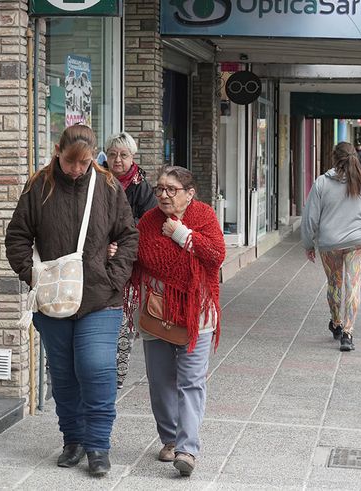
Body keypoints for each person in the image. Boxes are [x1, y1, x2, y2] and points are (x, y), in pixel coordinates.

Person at [5, 124, 138, 477]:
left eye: (84, 163)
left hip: (100, 297)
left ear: (94, 157)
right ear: (57, 151)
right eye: (70, 162)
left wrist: (114, 276)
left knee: (96, 369)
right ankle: (73, 440)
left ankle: (98, 446)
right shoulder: (39, 186)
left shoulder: (108, 186)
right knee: (63, 375)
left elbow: (128, 236)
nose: (77, 170)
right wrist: (31, 274)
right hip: (53, 300)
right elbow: (17, 235)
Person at [128, 166, 225, 477]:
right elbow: (138, 257)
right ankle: (170, 439)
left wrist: (181, 234)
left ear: (189, 193)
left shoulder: (205, 216)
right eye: (160, 189)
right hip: (157, 314)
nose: (164, 195)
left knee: (191, 383)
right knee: (160, 383)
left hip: (196, 316)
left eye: (172, 189)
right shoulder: (148, 221)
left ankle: (187, 450)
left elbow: (215, 255)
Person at [301, 142, 361, 352]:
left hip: (330, 243)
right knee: (353, 285)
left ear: (334, 157)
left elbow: (310, 217)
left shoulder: (322, 182)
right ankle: (348, 334)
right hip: (359, 242)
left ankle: (337, 323)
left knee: (334, 284)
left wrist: (308, 243)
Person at [103, 131, 156, 389]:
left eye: (123, 155)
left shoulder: (141, 187)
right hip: (98, 259)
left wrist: (120, 237)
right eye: (112, 154)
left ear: (132, 157)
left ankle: (117, 376)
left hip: (127, 263)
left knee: (124, 319)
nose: (117, 160)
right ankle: (99, 370)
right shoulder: (97, 180)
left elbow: (148, 223)